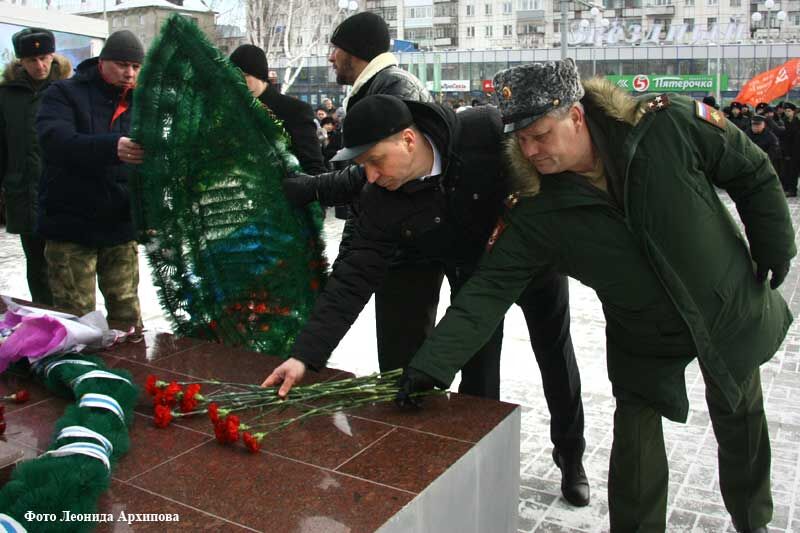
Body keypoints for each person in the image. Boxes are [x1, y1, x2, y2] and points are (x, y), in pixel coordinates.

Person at [398, 59, 795, 532]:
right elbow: (488, 289)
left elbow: (748, 168)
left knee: (741, 418)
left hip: (721, 302)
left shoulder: (665, 126)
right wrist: (431, 365)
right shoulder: (538, 211)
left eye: (540, 134)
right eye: (520, 139)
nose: (530, 149)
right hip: (642, 333)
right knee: (636, 449)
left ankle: (754, 521)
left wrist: (774, 242)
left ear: (577, 115)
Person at [265, 94, 590, 506]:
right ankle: (480, 464)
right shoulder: (381, 197)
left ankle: (571, 453)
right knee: (478, 373)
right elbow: (352, 280)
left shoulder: (482, 133)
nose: (370, 175)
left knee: (555, 356)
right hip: (474, 285)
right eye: (362, 165)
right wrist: (304, 356)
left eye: (375, 161)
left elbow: (548, 160)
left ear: (407, 140)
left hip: (536, 265)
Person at [318, 12, 446, 385]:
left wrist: (316, 188)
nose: (330, 58)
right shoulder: (378, 86)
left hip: (406, 249)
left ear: (354, 52)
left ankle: (414, 428)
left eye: (335, 49)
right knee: (396, 354)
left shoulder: (393, 87)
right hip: (394, 244)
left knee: (405, 355)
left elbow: (382, 176)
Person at [36, 30, 147, 329]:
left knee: (128, 316)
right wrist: (112, 147)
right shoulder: (63, 93)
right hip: (71, 224)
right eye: (122, 64)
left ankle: (131, 373)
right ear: (102, 61)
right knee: (77, 321)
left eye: (136, 67)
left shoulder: (145, 103)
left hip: (120, 226)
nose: (129, 73)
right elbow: (55, 140)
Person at [0, 28, 71, 305]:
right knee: (36, 264)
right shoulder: (6, 96)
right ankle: (45, 318)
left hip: (62, 193)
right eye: (32, 60)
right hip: (22, 191)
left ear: (53, 56)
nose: (39, 66)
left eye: (44, 58)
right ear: (21, 62)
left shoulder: (68, 90)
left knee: (65, 264)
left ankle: (71, 320)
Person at [229, 44, 326, 175]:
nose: (238, 82)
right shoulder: (232, 111)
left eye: (244, 75)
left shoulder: (295, 110)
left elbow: (313, 167)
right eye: (233, 77)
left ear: (259, 75)